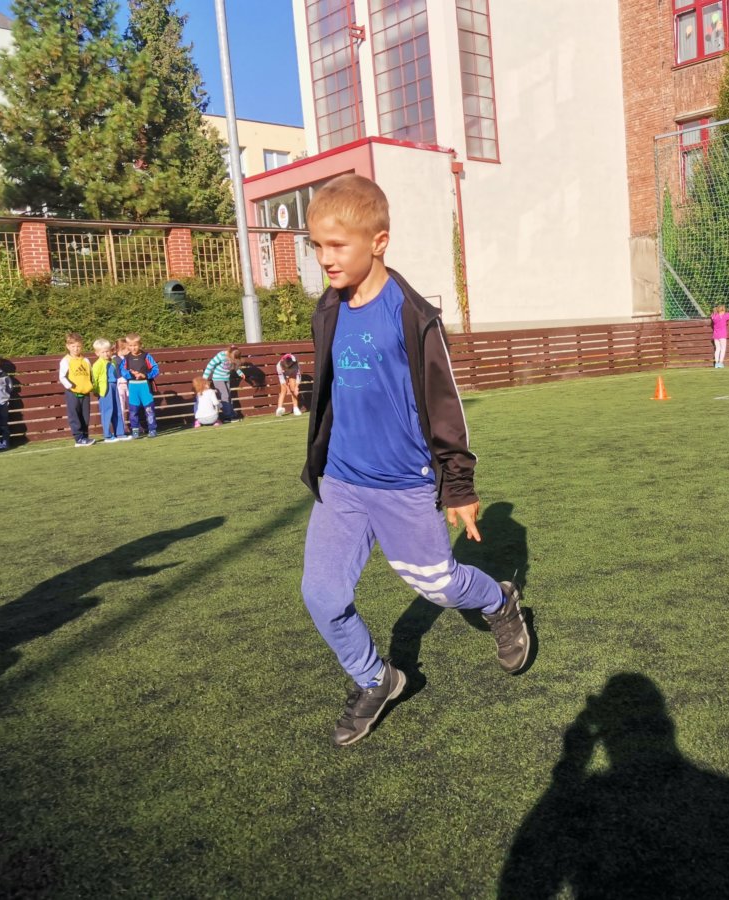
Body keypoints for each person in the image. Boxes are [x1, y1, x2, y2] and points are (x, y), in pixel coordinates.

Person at [300, 173, 534, 748]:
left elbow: (444, 404)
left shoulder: (413, 316)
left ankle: (500, 600)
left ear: (378, 241)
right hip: (342, 482)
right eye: (317, 245)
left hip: (404, 485)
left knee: (438, 587)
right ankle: (375, 678)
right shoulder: (328, 309)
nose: (325, 259)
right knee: (321, 594)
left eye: (337, 245)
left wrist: (459, 485)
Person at [58, 332, 95, 447]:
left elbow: (91, 375)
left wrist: (91, 386)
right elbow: (62, 377)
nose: (76, 349)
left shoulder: (86, 360)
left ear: (82, 346)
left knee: (85, 416)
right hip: (73, 393)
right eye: (73, 346)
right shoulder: (66, 361)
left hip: (85, 393)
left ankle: (85, 436)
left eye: (78, 346)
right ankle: (79, 438)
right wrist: (70, 386)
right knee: (74, 416)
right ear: (68, 346)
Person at [121, 333, 159, 438]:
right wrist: (131, 374)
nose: (133, 348)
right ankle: (135, 430)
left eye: (135, 345)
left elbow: (156, 369)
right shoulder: (126, 358)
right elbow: (122, 371)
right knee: (133, 410)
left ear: (140, 344)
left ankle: (152, 429)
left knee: (149, 409)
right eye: (130, 345)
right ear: (127, 346)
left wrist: (145, 375)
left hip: (145, 386)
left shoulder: (146, 356)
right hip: (133, 387)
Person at [91, 338, 128, 443]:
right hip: (105, 390)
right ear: (97, 353)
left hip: (114, 387)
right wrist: (96, 390)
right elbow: (94, 379)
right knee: (107, 411)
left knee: (117, 410)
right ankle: (107, 435)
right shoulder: (97, 364)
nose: (106, 354)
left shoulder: (112, 361)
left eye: (107, 351)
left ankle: (120, 433)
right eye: (103, 352)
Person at [202, 345, 245, 424]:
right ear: (229, 353)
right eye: (232, 358)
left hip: (226, 378)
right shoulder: (221, 355)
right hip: (218, 378)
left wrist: (240, 373)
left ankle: (231, 413)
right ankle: (228, 416)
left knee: (228, 397)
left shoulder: (234, 358)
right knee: (225, 396)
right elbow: (210, 365)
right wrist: (204, 379)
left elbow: (235, 366)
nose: (233, 360)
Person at [112, 336, 130, 438]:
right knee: (121, 407)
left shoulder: (128, 358)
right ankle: (123, 427)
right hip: (119, 385)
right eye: (127, 348)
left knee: (132, 405)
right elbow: (115, 373)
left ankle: (136, 425)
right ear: (120, 349)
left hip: (128, 384)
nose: (129, 350)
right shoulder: (115, 359)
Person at [275, 352, 303, 417]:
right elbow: (282, 379)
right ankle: (279, 409)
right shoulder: (279, 366)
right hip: (283, 374)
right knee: (283, 390)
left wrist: (296, 387)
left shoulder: (295, 364)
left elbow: (298, 376)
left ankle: (295, 408)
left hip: (292, 372)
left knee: (293, 389)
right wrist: (287, 387)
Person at [710, 304, 729, 368]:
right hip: (722, 335)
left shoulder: (714, 316)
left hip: (716, 336)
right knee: (723, 349)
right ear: (723, 310)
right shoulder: (724, 316)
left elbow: (712, 315)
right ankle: (720, 363)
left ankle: (716, 363)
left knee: (717, 349)